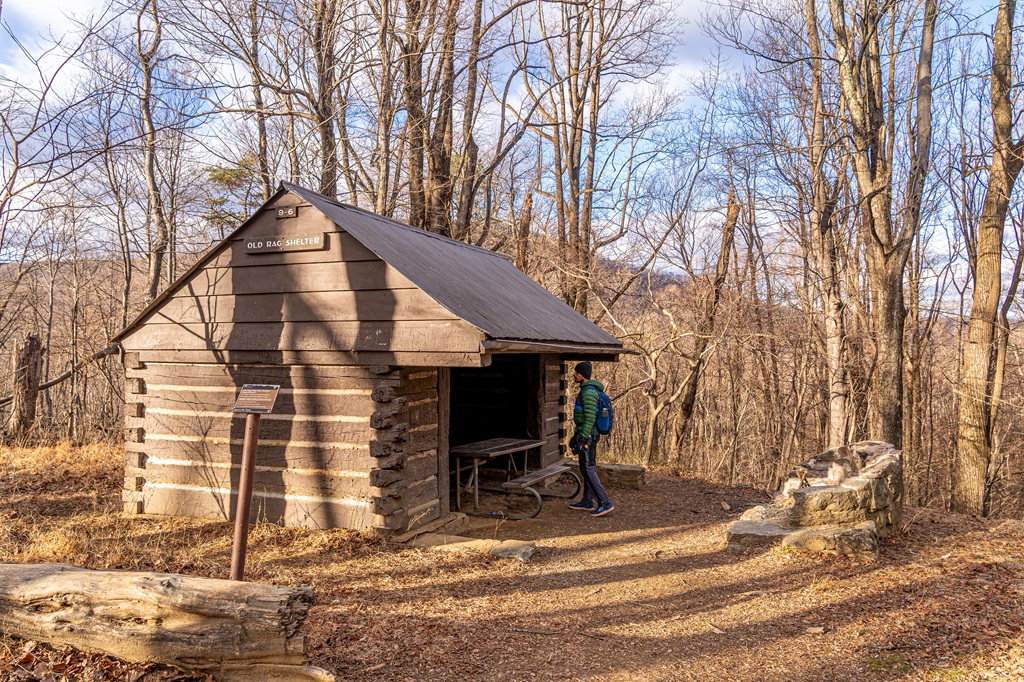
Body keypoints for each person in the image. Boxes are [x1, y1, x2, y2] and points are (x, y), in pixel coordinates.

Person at [567, 361, 614, 516]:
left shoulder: (588, 392)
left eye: (576, 372)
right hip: (587, 435)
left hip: (588, 436)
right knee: (585, 468)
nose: (574, 375)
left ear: (582, 375)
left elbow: (590, 418)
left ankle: (605, 503)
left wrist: (582, 436)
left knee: (588, 468)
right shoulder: (587, 390)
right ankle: (587, 501)